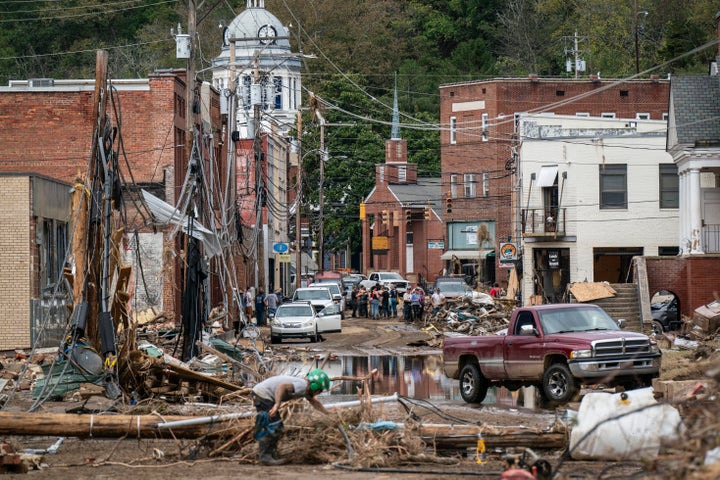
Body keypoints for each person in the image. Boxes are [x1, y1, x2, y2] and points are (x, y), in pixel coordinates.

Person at [251, 369, 331, 465]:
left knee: (276, 426)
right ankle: (265, 457)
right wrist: (277, 404)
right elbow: (282, 387)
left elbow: (314, 402)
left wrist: (328, 413)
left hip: (261, 394)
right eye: (320, 390)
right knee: (274, 426)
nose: (320, 393)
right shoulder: (303, 386)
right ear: (315, 386)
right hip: (263, 395)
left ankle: (270, 455)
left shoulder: (306, 390)